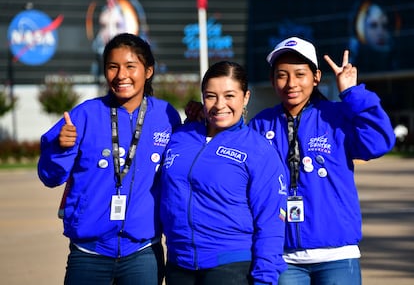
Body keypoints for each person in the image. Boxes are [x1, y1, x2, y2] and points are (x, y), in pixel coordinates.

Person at [249, 36, 396, 284]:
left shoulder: (337, 116)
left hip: (337, 256)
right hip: (282, 258)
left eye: (299, 74)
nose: (291, 83)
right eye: (282, 75)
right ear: (273, 80)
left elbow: (379, 142)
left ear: (316, 77)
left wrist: (352, 92)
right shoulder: (260, 124)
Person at [37, 33, 181, 285]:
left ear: (148, 71)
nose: (121, 75)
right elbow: (50, 177)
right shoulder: (84, 115)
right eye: (113, 67)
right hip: (89, 253)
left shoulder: (166, 116)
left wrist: (197, 122)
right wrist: (61, 148)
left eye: (130, 66)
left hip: (143, 252)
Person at [160, 61, 288, 285]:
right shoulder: (180, 137)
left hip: (230, 267)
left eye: (229, 95)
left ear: (245, 97)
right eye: (211, 96)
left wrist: (265, 278)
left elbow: (270, 221)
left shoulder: (258, 150)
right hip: (178, 264)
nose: (220, 105)